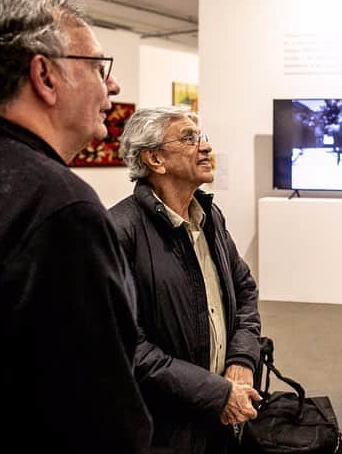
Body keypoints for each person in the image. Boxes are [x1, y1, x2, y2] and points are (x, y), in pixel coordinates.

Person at [0, 0, 152, 452]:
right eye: (98, 67)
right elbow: (97, 418)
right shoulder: (61, 210)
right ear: (45, 76)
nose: (113, 85)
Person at [110, 106, 262, 454]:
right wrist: (215, 393)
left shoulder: (209, 216)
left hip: (221, 421)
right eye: (189, 138)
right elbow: (127, 346)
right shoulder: (119, 232)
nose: (205, 147)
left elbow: (245, 290)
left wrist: (241, 360)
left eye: (202, 136)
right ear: (155, 159)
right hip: (166, 431)